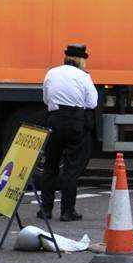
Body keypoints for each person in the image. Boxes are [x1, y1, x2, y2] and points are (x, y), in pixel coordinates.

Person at [38, 44, 98, 222]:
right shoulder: (84, 76)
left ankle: (46, 210)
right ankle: (67, 211)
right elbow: (92, 103)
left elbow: (46, 99)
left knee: (50, 166)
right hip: (75, 121)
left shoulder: (52, 73)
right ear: (80, 60)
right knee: (71, 168)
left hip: (54, 119)